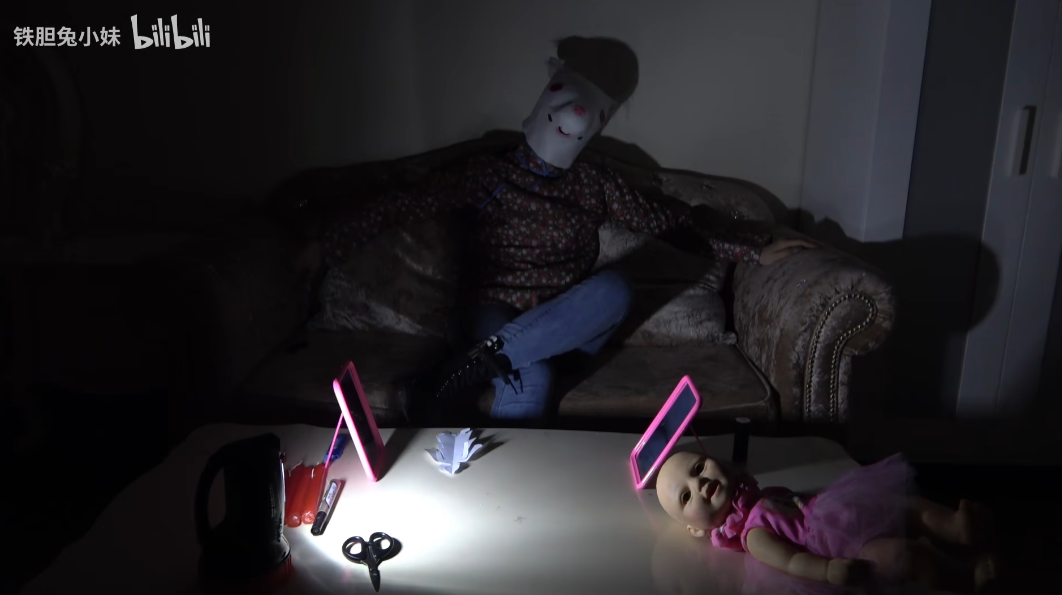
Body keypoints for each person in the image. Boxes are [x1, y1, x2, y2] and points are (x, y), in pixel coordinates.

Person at [299, 55, 814, 426]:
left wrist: (752, 248)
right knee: (536, 379)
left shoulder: (594, 185)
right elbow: (401, 203)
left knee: (614, 288)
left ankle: (457, 373)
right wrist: (326, 243)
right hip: (490, 316)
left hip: (567, 327)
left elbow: (670, 221)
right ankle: (502, 473)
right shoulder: (487, 175)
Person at [654, 450, 1001, 593]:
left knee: (903, 507)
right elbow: (791, 560)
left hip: (841, 510)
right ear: (696, 528)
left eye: (698, 467)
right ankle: (963, 576)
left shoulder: (759, 494)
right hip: (840, 546)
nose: (699, 483)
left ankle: (954, 526)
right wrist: (827, 570)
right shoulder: (754, 535)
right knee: (902, 556)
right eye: (686, 497)